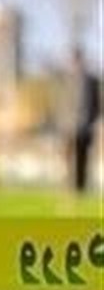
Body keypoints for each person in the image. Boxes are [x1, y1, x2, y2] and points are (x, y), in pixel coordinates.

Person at [61, 47, 100, 193]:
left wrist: (92, 121)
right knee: (69, 157)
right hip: (69, 125)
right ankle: (69, 184)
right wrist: (64, 121)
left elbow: (96, 103)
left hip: (85, 126)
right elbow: (62, 103)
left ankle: (81, 187)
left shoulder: (91, 80)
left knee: (83, 156)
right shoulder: (66, 79)